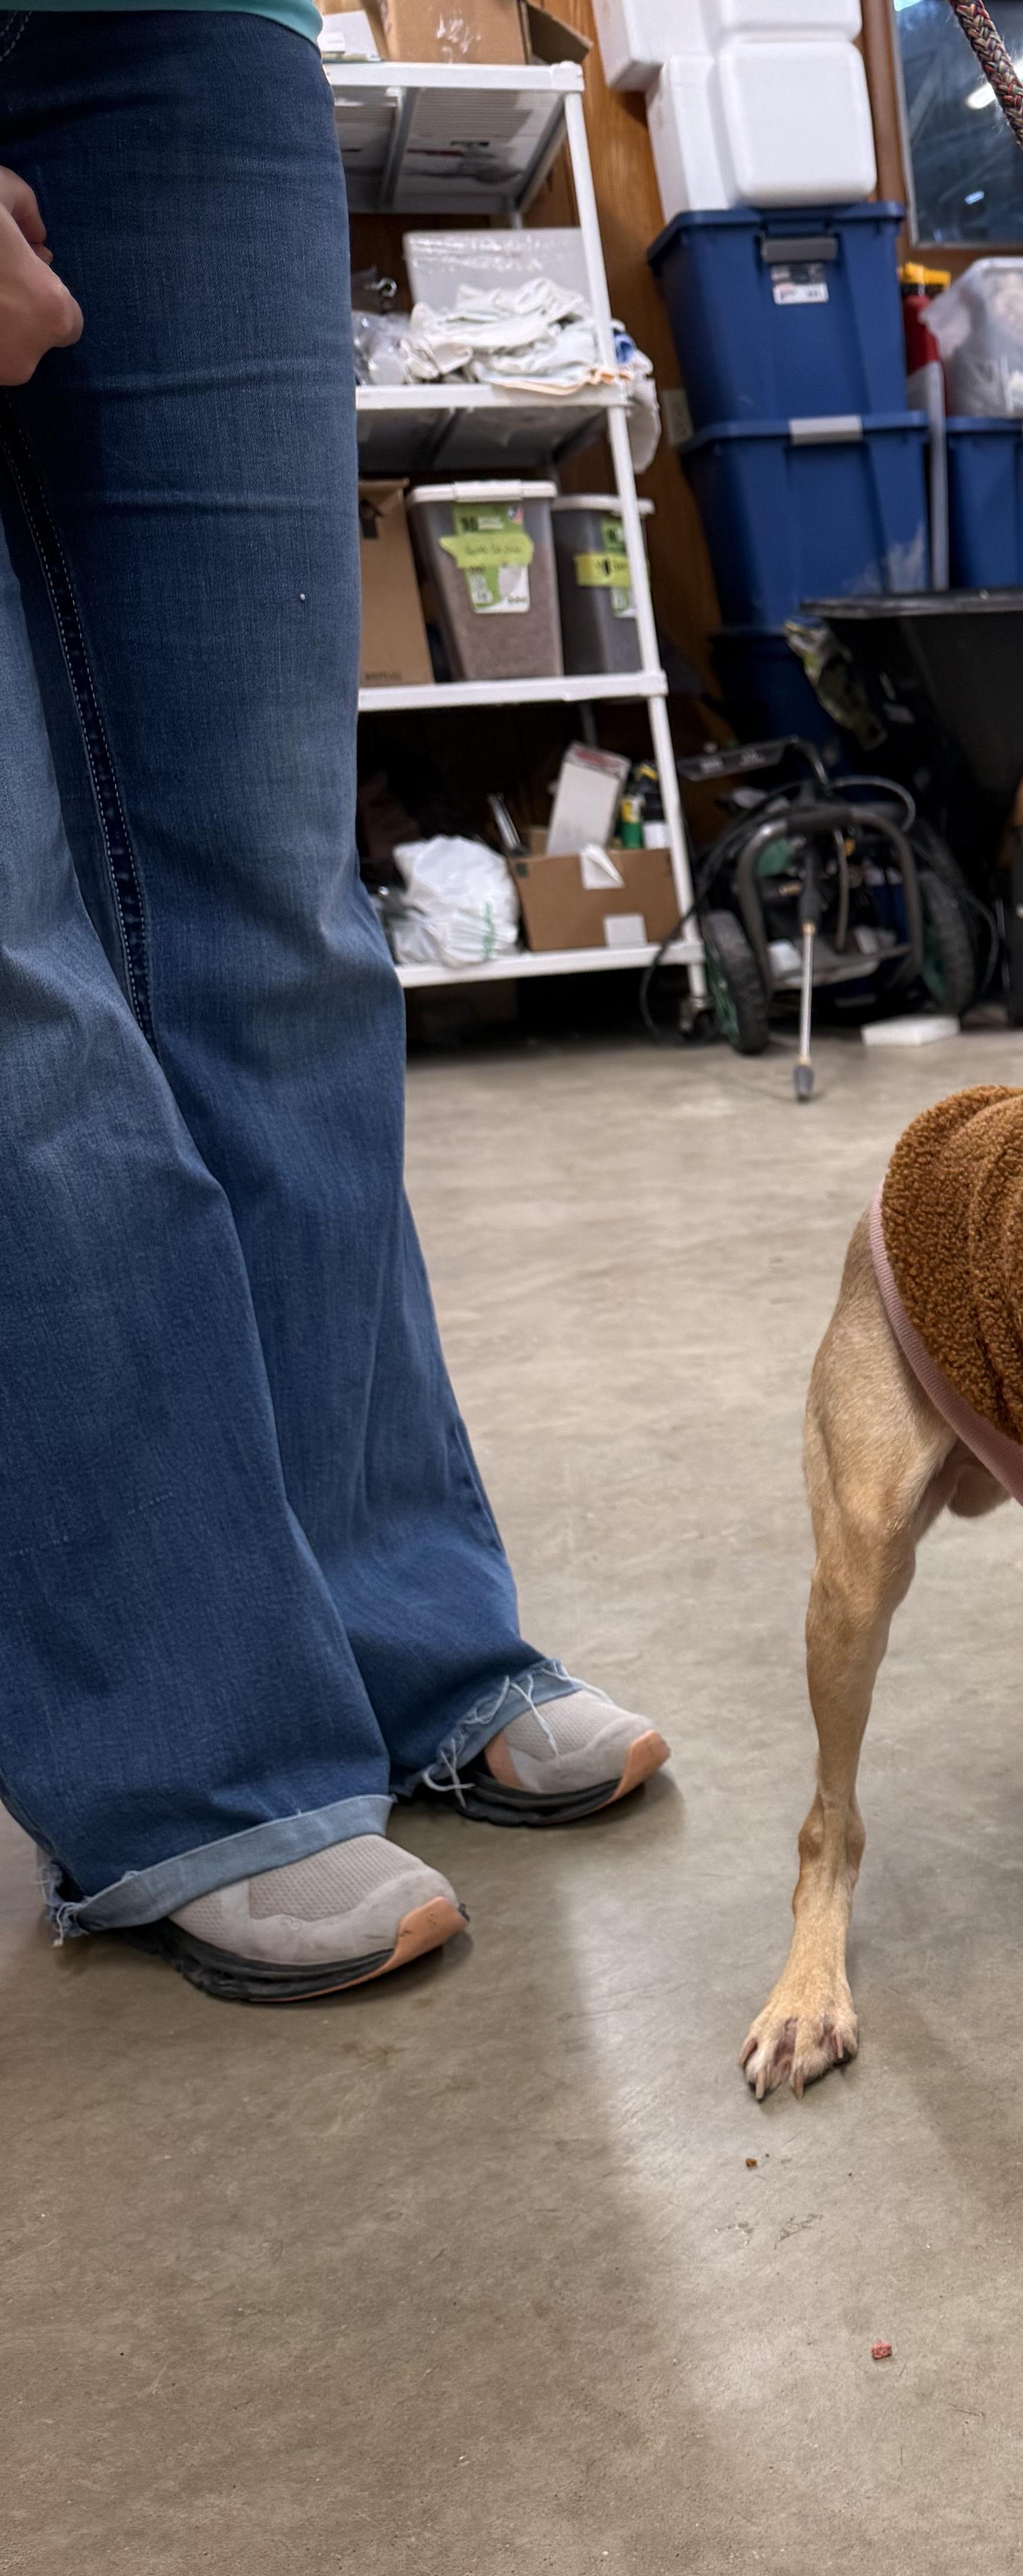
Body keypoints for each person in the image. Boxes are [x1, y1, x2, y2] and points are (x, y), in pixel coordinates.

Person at [0, 7, 668, 2006]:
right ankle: (190, 1749)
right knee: (13, 968)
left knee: (276, 898)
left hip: (186, 35)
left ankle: (400, 1640)